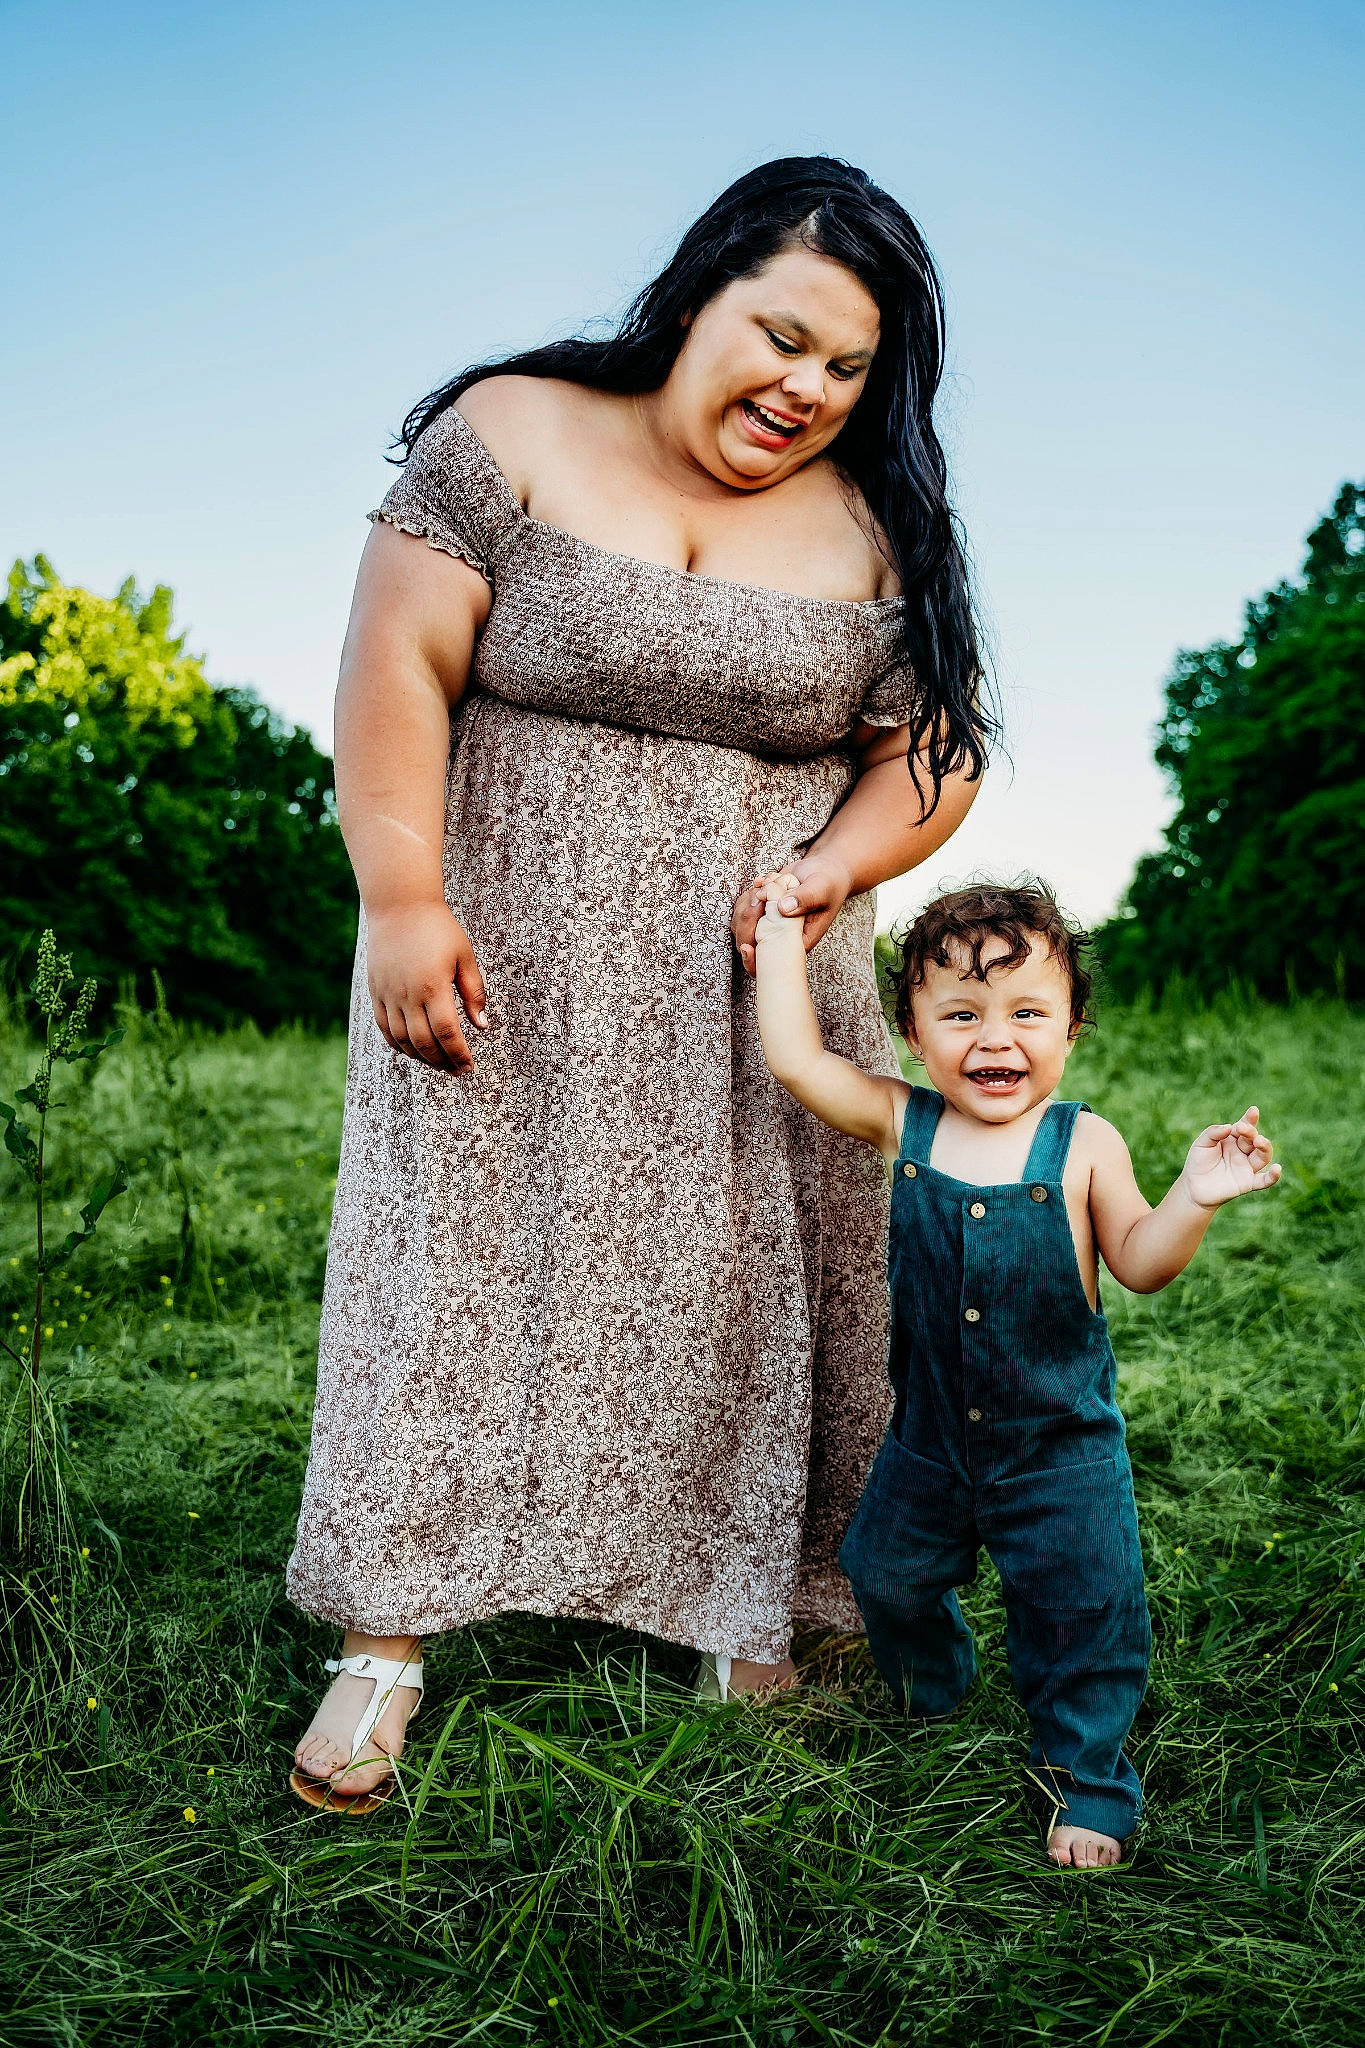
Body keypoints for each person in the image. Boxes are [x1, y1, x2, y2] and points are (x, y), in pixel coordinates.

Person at [286, 155, 993, 1811]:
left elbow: (935, 755)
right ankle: (386, 1641)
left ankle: (753, 1614)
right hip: (503, 960)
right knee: (455, 1275)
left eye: (849, 367)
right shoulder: (512, 432)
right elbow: (398, 663)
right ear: (697, 297)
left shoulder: (877, 527)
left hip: (759, 993)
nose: (808, 387)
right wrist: (402, 895)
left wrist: (830, 871)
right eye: (783, 337)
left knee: (759, 1289)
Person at [752, 878, 1280, 1866]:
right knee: (884, 1576)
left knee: (1085, 1617)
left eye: (1027, 1013)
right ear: (913, 1033)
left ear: (1071, 1029)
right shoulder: (903, 1121)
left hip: (1059, 1453)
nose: (994, 1038)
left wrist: (1194, 1196)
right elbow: (796, 1059)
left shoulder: (1083, 1144)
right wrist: (781, 938)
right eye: (961, 1014)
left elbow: (1141, 1261)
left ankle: (1086, 1779)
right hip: (929, 1444)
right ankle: (931, 1687)